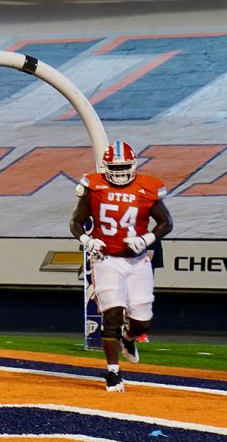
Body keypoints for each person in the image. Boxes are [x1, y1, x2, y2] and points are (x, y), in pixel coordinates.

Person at [70, 142, 173, 392]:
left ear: (134, 164)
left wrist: (146, 239)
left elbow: (166, 223)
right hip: (106, 259)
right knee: (113, 312)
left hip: (137, 261)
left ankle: (128, 339)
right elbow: (76, 221)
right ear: (106, 167)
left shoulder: (148, 187)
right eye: (115, 167)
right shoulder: (93, 186)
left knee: (142, 323)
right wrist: (87, 239)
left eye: (125, 166)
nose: (120, 172)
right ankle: (112, 371)